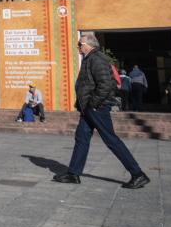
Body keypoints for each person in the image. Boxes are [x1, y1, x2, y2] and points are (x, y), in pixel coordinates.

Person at [53, 32, 149, 189]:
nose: (78, 47)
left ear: (89, 45)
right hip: (88, 108)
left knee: (111, 140)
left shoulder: (97, 59)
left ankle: (138, 174)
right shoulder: (89, 58)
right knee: (81, 137)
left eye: (80, 44)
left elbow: (106, 84)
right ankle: (73, 173)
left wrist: (93, 103)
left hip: (96, 108)